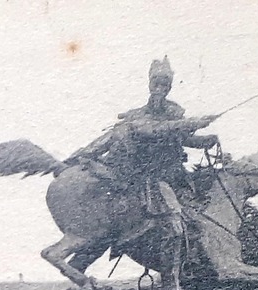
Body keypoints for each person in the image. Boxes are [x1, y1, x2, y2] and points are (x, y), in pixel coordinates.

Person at [65, 57, 219, 220]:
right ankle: (80, 157)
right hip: (145, 170)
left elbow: (181, 138)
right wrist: (193, 122)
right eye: (156, 84)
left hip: (171, 170)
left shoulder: (174, 111)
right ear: (150, 85)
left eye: (164, 85)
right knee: (120, 131)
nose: (159, 89)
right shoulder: (138, 115)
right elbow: (155, 129)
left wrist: (204, 141)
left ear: (169, 88)